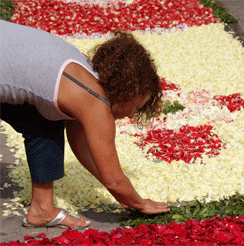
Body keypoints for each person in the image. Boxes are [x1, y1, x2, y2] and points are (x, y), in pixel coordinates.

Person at [0, 20, 170, 229]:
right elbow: (113, 180)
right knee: (46, 119)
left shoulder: (85, 76)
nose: (131, 115)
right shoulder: (94, 102)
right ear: (128, 93)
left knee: (46, 121)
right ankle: (42, 208)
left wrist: (123, 196)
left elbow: (83, 147)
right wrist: (140, 203)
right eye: (136, 107)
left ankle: (42, 209)